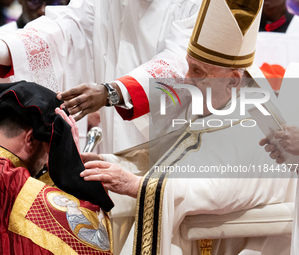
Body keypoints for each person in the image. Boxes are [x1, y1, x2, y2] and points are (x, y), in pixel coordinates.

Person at [79, 0, 294, 254]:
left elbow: (219, 187)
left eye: (198, 71)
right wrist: (113, 162)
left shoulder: (256, 123)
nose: (187, 79)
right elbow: (175, 156)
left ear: (234, 82)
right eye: (189, 65)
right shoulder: (219, 98)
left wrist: (137, 186)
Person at [0, 0, 201, 154]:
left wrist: (112, 92)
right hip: (117, 143)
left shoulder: (196, 3)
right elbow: (62, 31)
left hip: (176, 140)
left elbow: (182, 62)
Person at [0, 80, 113, 254]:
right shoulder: (14, 188)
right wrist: (70, 165)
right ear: (30, 139)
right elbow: (93, 241)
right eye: (49, 150)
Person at [0, 0, 71, 153]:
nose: (44, 9)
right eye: (36, 1)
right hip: (5, 158)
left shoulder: (79, 44)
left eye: (56, 2)